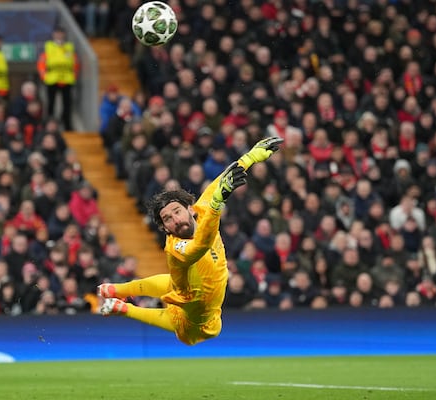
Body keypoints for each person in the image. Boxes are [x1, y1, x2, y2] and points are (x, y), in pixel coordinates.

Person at [97, 137, 283, 345]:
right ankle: (125, 309)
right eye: (167, 219)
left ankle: (115, 291)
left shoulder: (202, 209)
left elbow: (221, 180)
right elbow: (200, 245)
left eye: (177, 211)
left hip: (186, 289)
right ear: (164, 228)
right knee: (203, 328)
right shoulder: (176, 248)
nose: (175, 220)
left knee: (171, 283)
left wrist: (251, 156)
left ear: (190, 209)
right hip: (196, 319)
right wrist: (216, 206)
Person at [37, 26, 79, 131]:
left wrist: (74, 75)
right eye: (57, 33)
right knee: (51, 105)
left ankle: (67, 126)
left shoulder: (69, 47)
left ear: (64, 34)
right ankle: (49, 126)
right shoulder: (48, 46)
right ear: (53, 35)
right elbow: (41, 63)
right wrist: (44, 76)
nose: (59, 35)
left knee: (67, 105)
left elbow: (75, 63)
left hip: (67, 79)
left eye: (61, 33)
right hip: (52, 79)